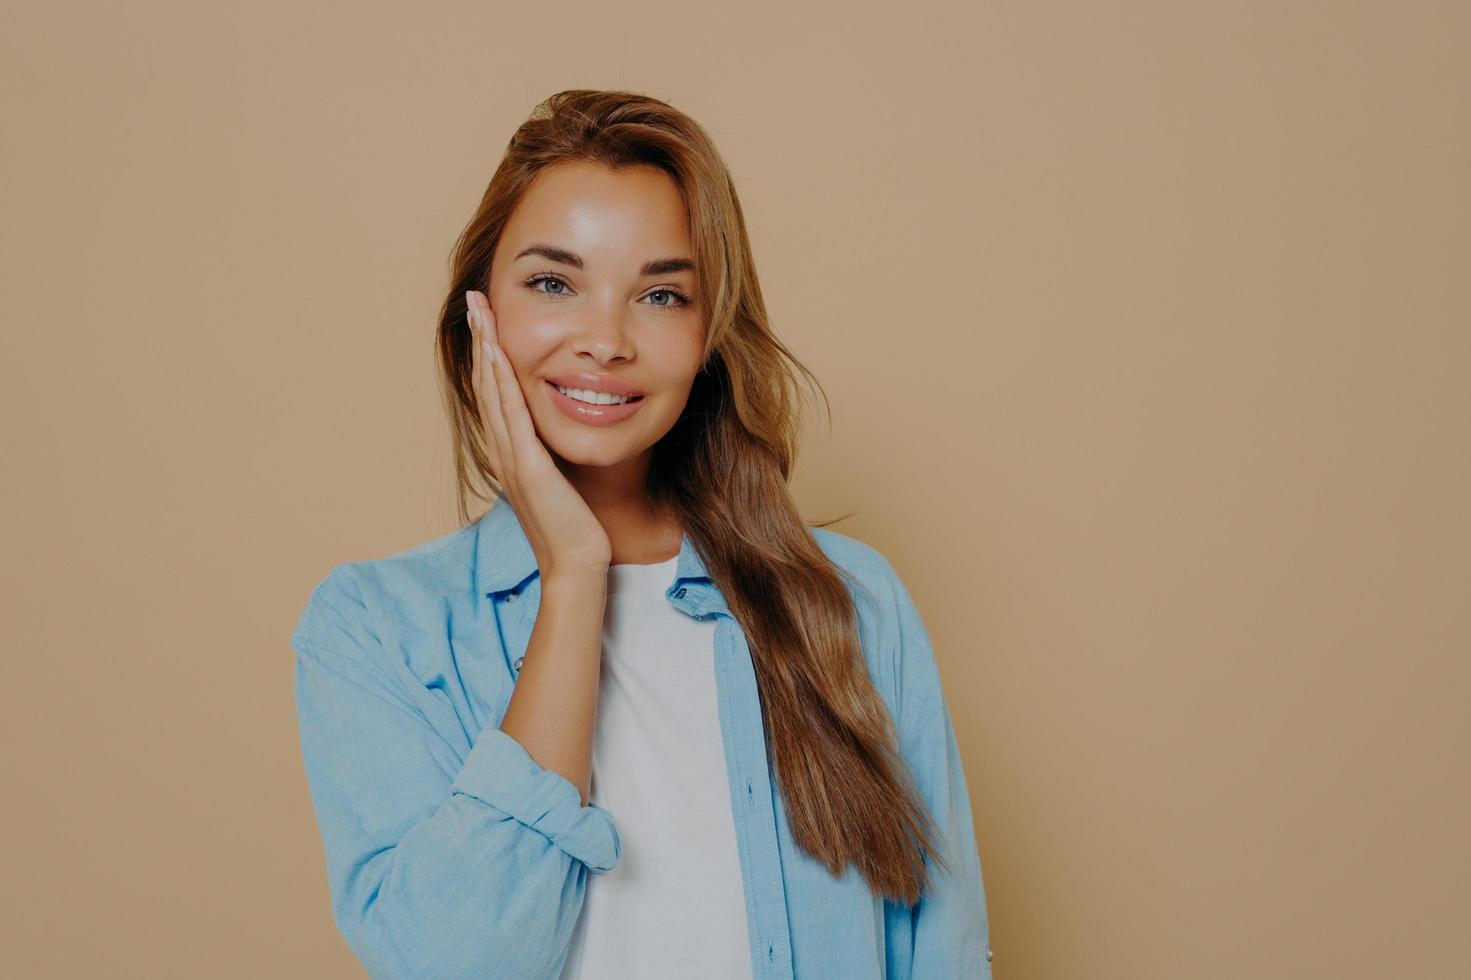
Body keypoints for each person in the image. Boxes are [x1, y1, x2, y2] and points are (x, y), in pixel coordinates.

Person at [292, 88, 994, 980]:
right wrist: (574, 573)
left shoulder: (852, 603)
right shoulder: (376, 628)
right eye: (554, 283)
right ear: (480, 313)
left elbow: (940, 951)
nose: (605, 340)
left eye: (661, 295)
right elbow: (460, 965)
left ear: (709, 337)